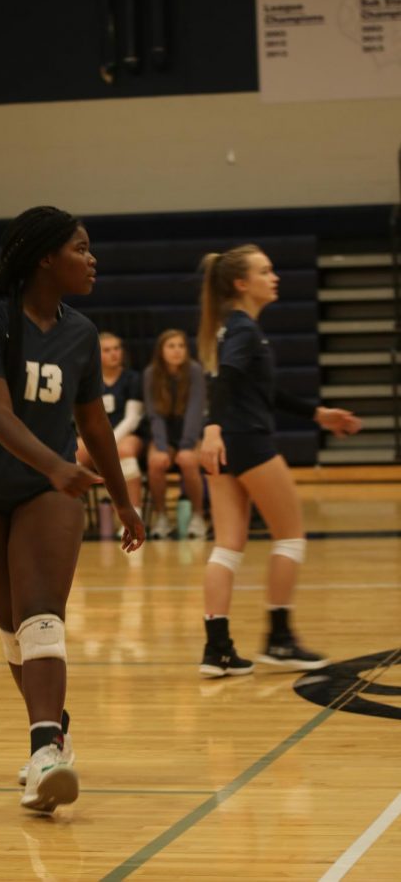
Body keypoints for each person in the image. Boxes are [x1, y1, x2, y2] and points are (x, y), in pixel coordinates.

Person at [0, 206, 145, 814]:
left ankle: (46, 753)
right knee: (12, 630)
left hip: (47, 492)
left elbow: (94, 422)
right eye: (81, 248)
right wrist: (55, 462)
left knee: (41, 613)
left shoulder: (81, 333)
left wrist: (123, 500)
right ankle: (55, 726)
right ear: (46, 256)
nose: (92, 258)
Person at [197, 244, 361, 676]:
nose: (276, 277)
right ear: (241, 283)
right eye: (265, 271)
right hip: (246, 441)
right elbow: (228, 382)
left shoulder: (233, 329)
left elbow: (261, 392)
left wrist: (317, 414)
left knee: (228, 546)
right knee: (290, 536)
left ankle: (218, 650)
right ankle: (280, 640)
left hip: (228, 443)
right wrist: (212, 428)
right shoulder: (244, 330)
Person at [76, 331, 144, 535]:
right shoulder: (87, 378)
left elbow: (132, 419)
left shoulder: (133, 378)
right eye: (107, 350)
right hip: (95, 437)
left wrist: (105, 443)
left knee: (125, 450)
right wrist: (95, 443)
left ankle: (134, 520)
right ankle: (72, 516)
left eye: (117, 349)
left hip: (126, 435)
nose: (114, 354)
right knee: (75, 452)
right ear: (97, 354)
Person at [143, 329, 207, 539]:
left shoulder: (195, 371)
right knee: (155, 462)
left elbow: (195, 411)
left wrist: (187, 445)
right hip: (164, 434)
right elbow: (154, 415)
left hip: (189, 432)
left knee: (188, 461)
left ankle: (198, 516)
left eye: (181, 346)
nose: (177, 351)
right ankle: (161, 517)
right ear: (161, 351)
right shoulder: (151, 373)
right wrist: (162, 448)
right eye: (171, 346)